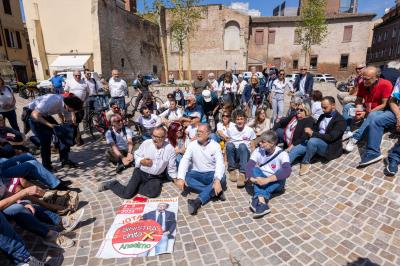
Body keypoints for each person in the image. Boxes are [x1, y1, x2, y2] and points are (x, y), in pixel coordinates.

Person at [98, 126, 177, 198]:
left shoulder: (170, 149)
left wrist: (176, 180)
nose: (155, 139)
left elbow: (171, 167)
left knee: (153, 194)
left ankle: (135, 187)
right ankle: (112, 184)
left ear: (164, 137)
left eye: (158, 137)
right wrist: (141, 161)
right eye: (153, 136)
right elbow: (136, 154)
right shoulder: (147, 143)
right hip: (141, 172)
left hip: (156, 176)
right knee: (127, 194)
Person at [175, 124, 226, 215]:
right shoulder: (192, 145)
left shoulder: (215, 146)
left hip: (211, 173)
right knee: (187, 177)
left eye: (201, 132)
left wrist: (217, 180)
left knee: (222, 178)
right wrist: (180, 178)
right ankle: (214, 192)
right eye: (197, 131)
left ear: (208, 134)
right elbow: (185, 160)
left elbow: (220, 163)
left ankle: (197, 201)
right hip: (196, 173)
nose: (198, 134)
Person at [289, 96, 346, 175]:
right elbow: (315, 128)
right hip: (315, 140)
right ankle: (282, 167)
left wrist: (312, 134)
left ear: (333, 106)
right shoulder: (322, 116)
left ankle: (305, 162)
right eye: (322, 107)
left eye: (325, 107)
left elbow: (331, 138)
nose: (323, 110)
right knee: (296, 149)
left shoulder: (341, 120)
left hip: (329, 147)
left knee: (312, 141)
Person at [26, 93, 83, 171]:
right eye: (73, 110)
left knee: (63, 134)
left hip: (44, 114)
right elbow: (35, 114)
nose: (73, 112)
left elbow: (69, 120)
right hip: (32, 114)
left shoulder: (67, 103)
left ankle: (65, 161)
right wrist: (50, 125)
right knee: (45, 141)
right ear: (69, 106)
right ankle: (46, 166)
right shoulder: (53, 101)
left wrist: (72, 128)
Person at [343, 66, 393, 152]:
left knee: (372, 115)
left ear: (376, 78)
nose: (364, 81)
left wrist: (366, 114)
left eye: (367, 79)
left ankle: (355, 138)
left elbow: (384, 105)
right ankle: (346, 131)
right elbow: (359, 99)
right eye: (363, 78)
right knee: (347, 107)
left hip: (379, 111)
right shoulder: (363, 83)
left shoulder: (386, 84)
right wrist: (358, 110)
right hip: (366, 108)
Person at [246, 130, 291, 218]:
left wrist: (267, 180)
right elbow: (249, 166)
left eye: (263, 142)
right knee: (255, 169)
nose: (260, 144)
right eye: (260, 141)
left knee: (280, 172)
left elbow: (287, 171)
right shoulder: (258, 150)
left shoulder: (283, 154)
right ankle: (262, 202)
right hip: (261, 177)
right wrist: (252, 178)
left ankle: (257, 197)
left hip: (275, 182)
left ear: (272, 143)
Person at [358, 75, 400, 168]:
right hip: (397, 111)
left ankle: (394, 158)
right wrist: (398, 116)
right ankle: (373, 153)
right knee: (376, 120)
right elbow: (392, 100)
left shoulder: (384, 84)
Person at [226, 109, 256, 188]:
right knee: (229, 145)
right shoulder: (230, 130)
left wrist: (254, 161)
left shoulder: (250, 130)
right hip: (235, 154)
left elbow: (253, 146)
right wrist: (225, 160)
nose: (239, 121)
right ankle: (232, 169)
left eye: (241, 119)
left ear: (245, 120)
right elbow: (227, 143)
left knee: (242, 145)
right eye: (237, 119)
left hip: (245, 153)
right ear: (235, 120)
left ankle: (243, 173)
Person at [64, 70, 90, 146]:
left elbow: (88, 92)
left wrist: (84, 100)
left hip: (80, 105)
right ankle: (78, 139)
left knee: (77, 121)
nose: (78, 76)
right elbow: (66, 92)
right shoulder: (69, 82)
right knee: (74, 122)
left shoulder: (84, 83)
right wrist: (67, 103)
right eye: (76, 75)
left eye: (79, 75)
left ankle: (77, 138)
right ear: (73, 75)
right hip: (71, 105)